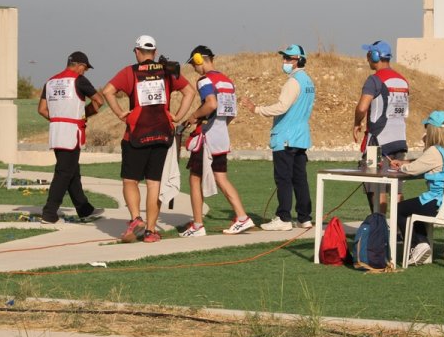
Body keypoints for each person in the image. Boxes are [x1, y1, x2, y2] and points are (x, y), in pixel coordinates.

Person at [102, 35, 196, 243]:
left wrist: (119, 113)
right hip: (162, 134)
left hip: (136, 134)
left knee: (130, 180)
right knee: (154, 184)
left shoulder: (130, 72)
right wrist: (178, 116)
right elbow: (190, 91)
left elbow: (108, 91)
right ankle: (151, 231)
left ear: (137, 52)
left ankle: (136, 219)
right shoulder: (168, 71)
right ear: (154, 52)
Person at [179, 45, 255, 237]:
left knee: (195, 180)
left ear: (198, 60)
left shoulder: (205, 80)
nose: (194, 69)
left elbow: (211, 104)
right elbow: (231, 114)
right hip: (222, 137)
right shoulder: (228, 82)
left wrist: (194, 116)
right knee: (221, 178)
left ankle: (197, 225)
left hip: (207, 138)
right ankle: (242, 217)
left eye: (193, 65)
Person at [240, 45, 316, 231]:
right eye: (285, 58)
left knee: (283, 178)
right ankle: (304, 217)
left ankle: (283, 218)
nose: (285, 62)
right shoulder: (308, 81)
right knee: (300, 178)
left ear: (298, 60)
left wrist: (256, 109)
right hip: (300, 136)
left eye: (289, 59)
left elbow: (282, 107)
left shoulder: (293, 82)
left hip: (285, 136)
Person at [389, 111, 444, 265]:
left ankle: (418, 245)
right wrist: (408, 164)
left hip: (439, 203)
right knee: (414, 206)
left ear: (432, 130)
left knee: (399, 209)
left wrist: (401, 167)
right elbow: (427, 164)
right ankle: (421, 244)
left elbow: (413, 169)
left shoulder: (434, 151)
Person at [37, 51, 106, 224]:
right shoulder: (79, 80)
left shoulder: (50, 81)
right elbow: (99, 100)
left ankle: (85, 210)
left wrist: (58, 119)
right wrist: (85, 114)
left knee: (72, 172)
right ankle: (49, 213)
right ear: (79, 65)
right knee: (64, 173)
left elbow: (42, 109)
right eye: (85, 68)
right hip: (72, 132)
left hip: (56, 131)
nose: (85, 72)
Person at [352, 40, 410, 214]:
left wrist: (356, 123)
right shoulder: (403, 80)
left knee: (376, 186)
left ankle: (380, 227)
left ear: (375, 56)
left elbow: (362, 107)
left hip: (378, 140)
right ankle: (401, 229)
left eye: (369, 54)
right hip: (399, 139)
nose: (367, 58)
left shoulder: (374, 79)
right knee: (396, 187)